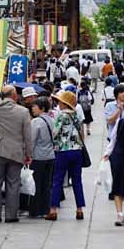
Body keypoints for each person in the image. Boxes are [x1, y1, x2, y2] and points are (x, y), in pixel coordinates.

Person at [0, 85, 33, 223]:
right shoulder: (23, 112)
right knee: (14, 183)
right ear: (15, 96)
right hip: (15, 152)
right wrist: (29, 153)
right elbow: (28, 135)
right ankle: (11, 215)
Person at [47, 90, 86, 221]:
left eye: (60, 101)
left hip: (63, 151)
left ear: (65, 103)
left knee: (57, 180)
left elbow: (55, 133)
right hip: (77, 151)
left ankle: (53, 210)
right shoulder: (76, 115)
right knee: (77, 181)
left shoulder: (61, 116)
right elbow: (82, 131)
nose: (58, 104)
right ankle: (79, 209)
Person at [27, 97, 56, 219]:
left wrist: (28, 155)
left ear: (42, 108)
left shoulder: (36, 122)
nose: (32, 108)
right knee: (46, 184)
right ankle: (45, 208)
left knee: (36, 184)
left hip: (38, 156)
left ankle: (35, 209)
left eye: (35, 106)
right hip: (50, 155)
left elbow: (31, 140)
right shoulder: (52, 120)